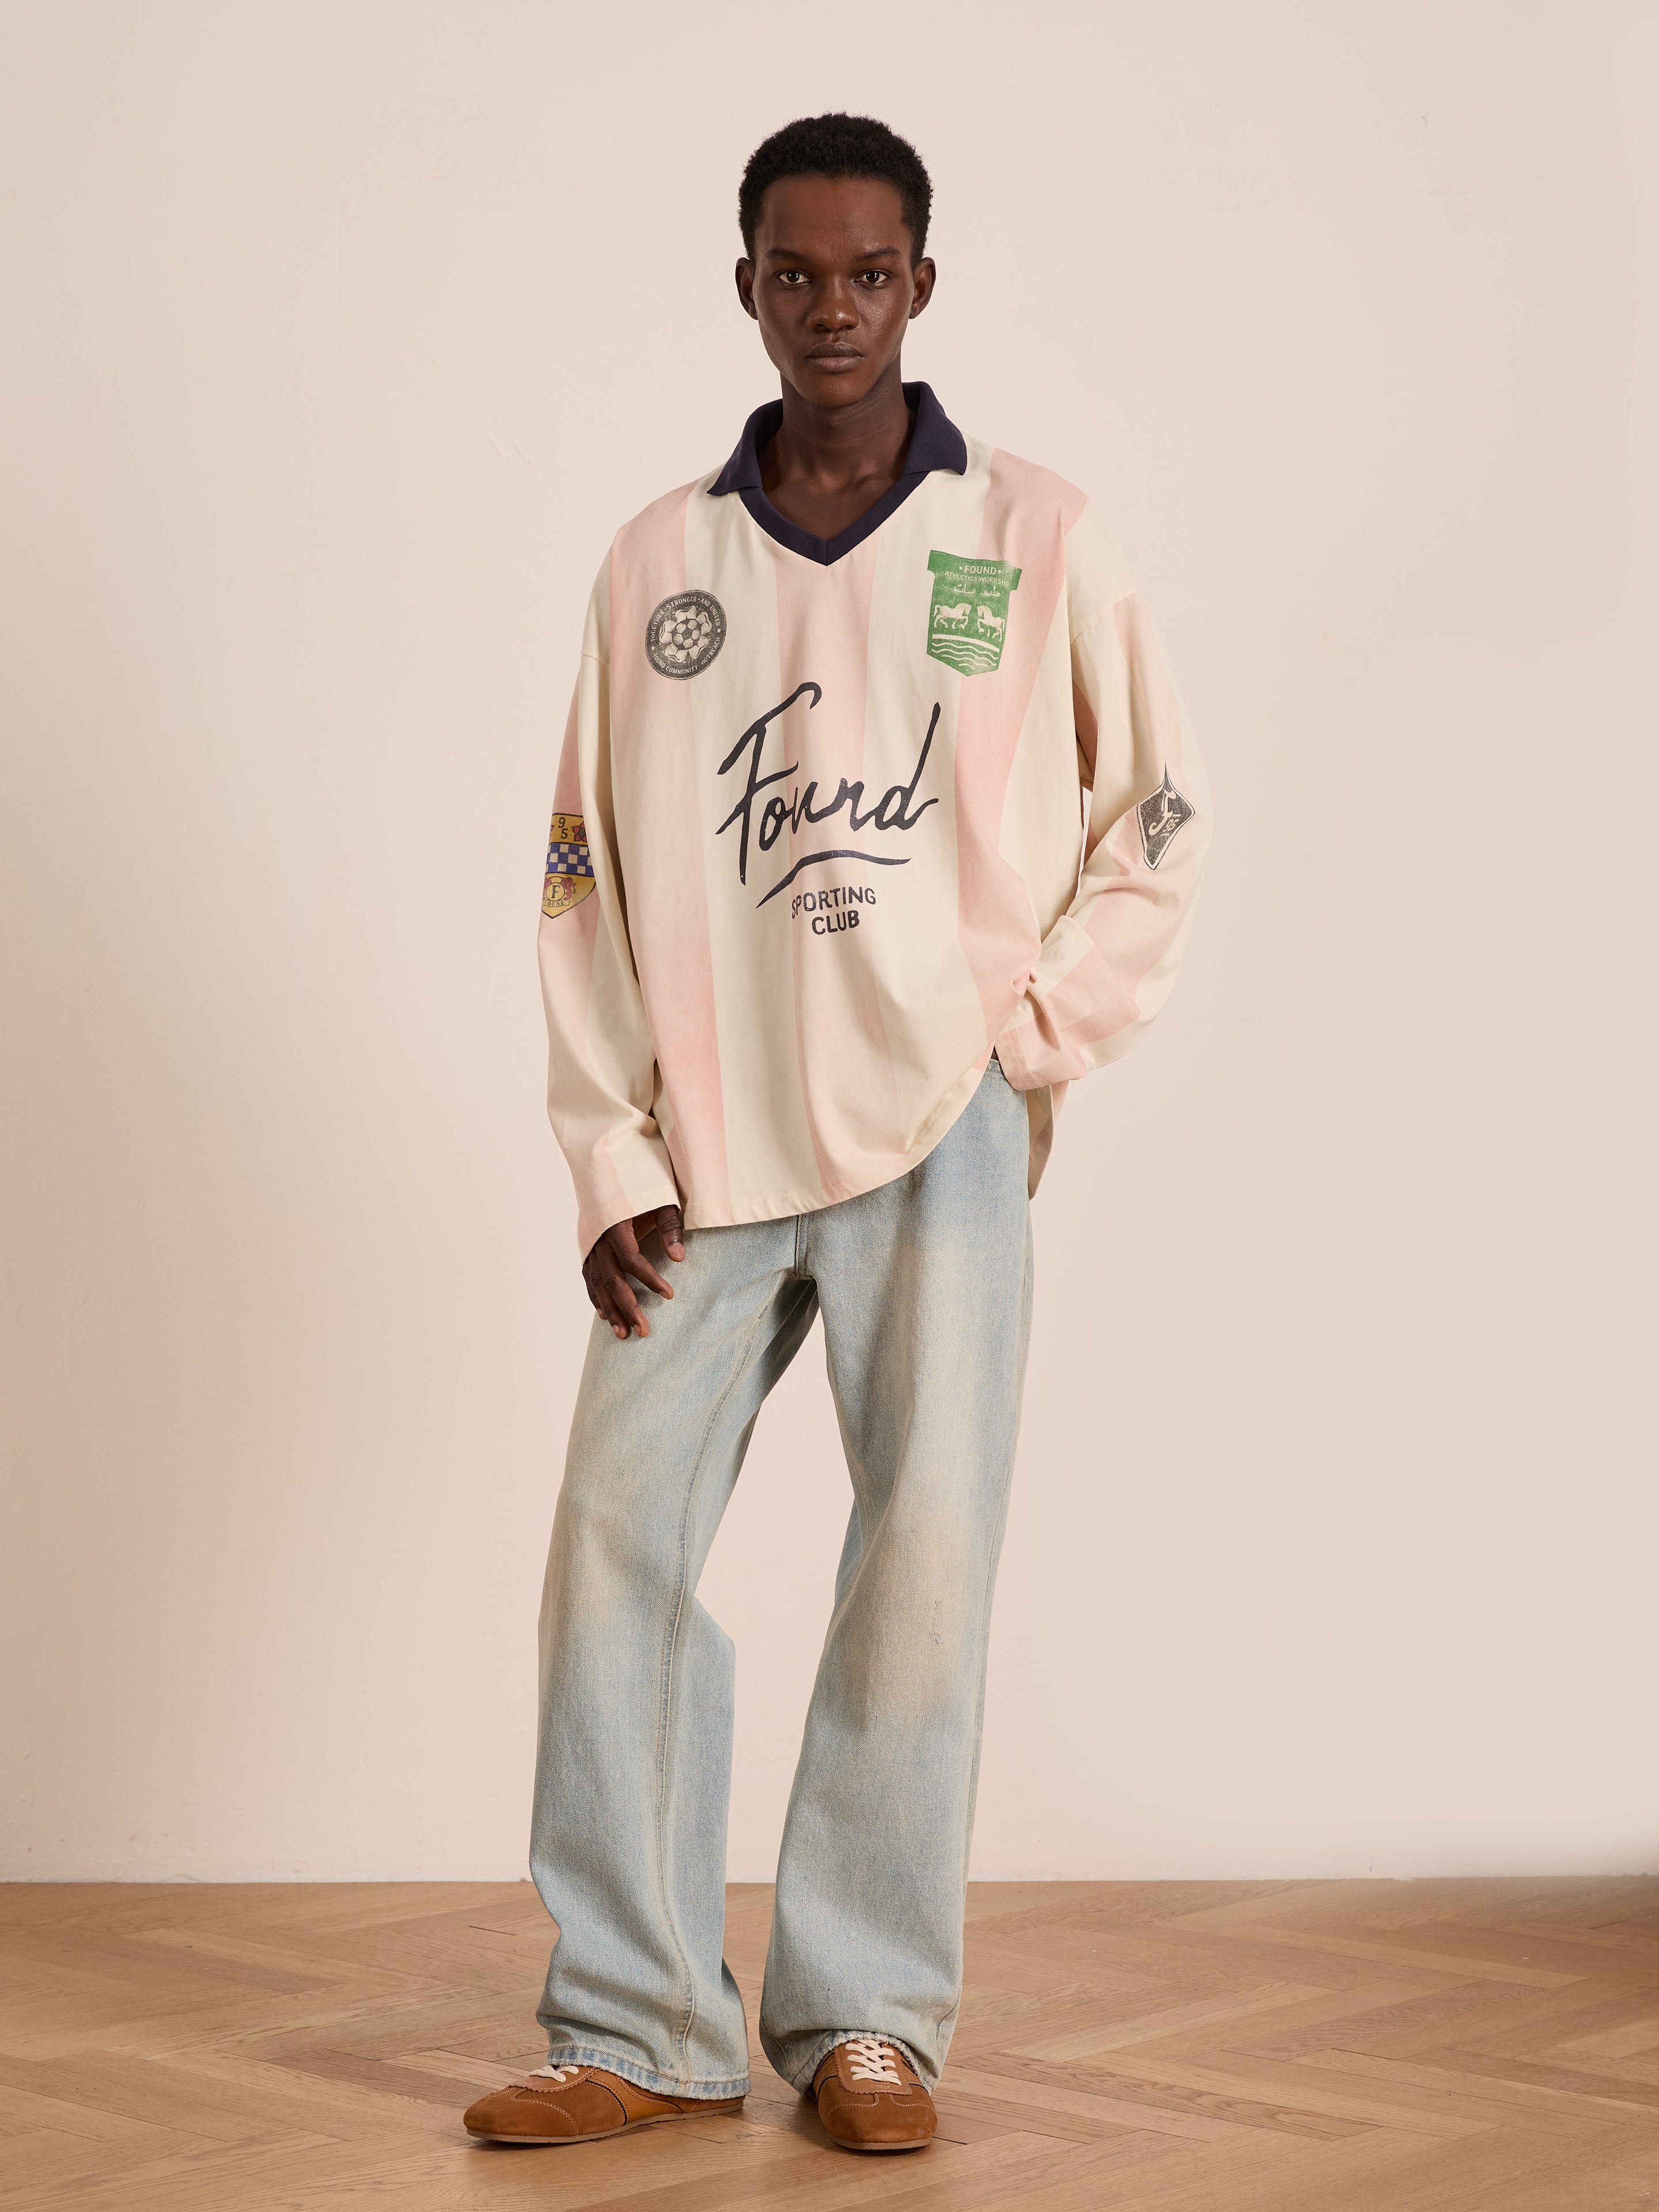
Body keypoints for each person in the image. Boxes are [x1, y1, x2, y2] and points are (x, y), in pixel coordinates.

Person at [463, 110, 1210, 2158]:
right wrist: (611, 1157)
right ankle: (635, 2019)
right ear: (747, 290)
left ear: (922, 288)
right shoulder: (659, 566)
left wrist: (1034, 1040)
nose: (833, 310)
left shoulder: (1030, 537)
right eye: (795, 274)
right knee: (614, 1549)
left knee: (924, 1560)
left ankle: (866, 2010)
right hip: (703, 1152)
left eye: (869, 274)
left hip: (939, 1135)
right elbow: (579, 875)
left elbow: (1153, 815)